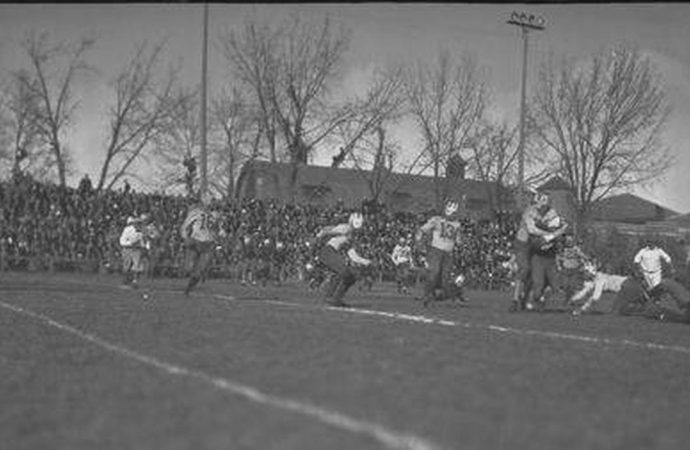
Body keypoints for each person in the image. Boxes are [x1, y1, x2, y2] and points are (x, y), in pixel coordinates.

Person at [509, 190, 567, 312]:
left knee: (536, 275)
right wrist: (552, 233)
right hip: (523, 244)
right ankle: (515, 300)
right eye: (543, 200)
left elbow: (557, 222)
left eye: (548, 200)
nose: (545, 203)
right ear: (537, 200)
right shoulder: (529, 211)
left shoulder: (551, 212)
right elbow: (532, 229)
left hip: (535, 246)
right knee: (525, 269)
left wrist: (561, 226)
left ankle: (527, 299)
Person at [315, 212, 373, 307]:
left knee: (350, 277)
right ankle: (330, 297)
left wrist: (364, 261)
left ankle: (335, 299)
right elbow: (328, 230)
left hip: (330, 253)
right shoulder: (346, 228)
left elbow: (352, 255)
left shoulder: (351, 236)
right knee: (344, 272)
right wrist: (320, 235)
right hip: (328, 252)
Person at [414, 199, 466, 307]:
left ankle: (450, 297)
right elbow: (423, 229)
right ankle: (427, 296)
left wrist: (461, 240)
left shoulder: (457, 224)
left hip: (448, 252)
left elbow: (458, 240)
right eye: (449, 208)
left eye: (453, 209)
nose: (451, 211)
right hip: (436, 250)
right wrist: (419, 239)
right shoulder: (436, 219)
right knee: (434, 272)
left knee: (445, 277)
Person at [179, 197, 221, 296]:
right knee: (189, 267)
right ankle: (190, 280)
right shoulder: (198, 212)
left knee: (200, 269)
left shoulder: (214, 215)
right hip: (197, 241)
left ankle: (189, 288)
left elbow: (218, 230)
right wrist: (185, 237)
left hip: (206, 243)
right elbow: (185, 225)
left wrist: (217, 240)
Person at [556, 232, 589, 306]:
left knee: (572, 286)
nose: (569, 241)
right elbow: (558, 258)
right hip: (565, 270)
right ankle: (568, 299)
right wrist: (559, 266)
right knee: (566, 286)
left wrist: (586, 260)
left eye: (570, 240)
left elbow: (582, 256)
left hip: (574, 270)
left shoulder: (576, 249)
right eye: (567, 240)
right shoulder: (562, 249)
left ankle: (568, 300)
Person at [119, 215, 145, 289]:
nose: (139, 224)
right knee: (126, 266)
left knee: (137, 266)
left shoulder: (141, 230)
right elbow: (122, 241)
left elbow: (142, 241)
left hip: (137, 250)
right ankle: (126, 281)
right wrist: (130, 244)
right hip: (127, 249)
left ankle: (135, 281)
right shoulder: (127, 230)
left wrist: (143, 247)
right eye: (137, 223)